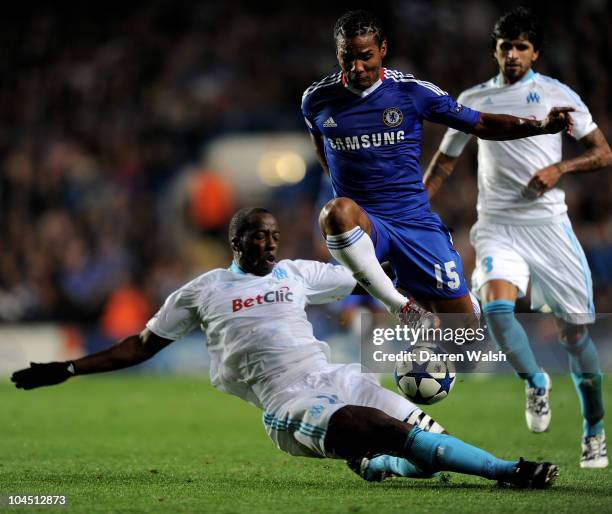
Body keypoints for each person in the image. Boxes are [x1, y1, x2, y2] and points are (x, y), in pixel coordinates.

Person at [12, 207, 558, 488]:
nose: (271, 244)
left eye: (274, 236)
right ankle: (509, 471)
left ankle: (382, 467)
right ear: (236, 242)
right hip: (288, 404)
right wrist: (66, 368)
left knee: (425, 449)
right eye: (259, 236)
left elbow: (364, 273)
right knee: (386, 429)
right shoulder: (202, 291)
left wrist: (422, 262)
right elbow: (139, 346)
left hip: (335, 377)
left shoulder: (297, 273)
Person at [423, 7, 611, 468]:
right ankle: (535, 381)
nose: (512, 54)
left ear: (536, 52)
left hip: (549, 227)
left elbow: (602, 152)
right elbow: (445, 162)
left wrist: (561, 168)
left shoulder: (557, 95)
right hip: (496, 225)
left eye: (521, 46)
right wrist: (413, 209)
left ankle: (593, 429)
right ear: (495, 49)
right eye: (505, 46)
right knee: (496, 308)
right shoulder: (472, 99)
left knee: (575, 336)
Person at [301, 10, 574, 326]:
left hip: (412, 221)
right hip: (365, 225)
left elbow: (481, 122)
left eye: (366, 57)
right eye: (347, 57)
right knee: (336, 212)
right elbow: (322, 149)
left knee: (466, 336)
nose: (357, 66)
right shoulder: (316, 99)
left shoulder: (412, 92)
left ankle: (450, 306)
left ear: (383, 50)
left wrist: (539, 125)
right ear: (338, 53)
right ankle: (402, 307)